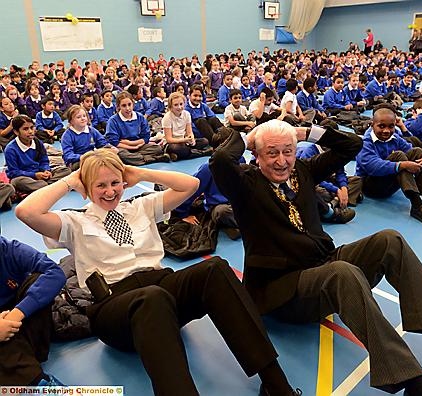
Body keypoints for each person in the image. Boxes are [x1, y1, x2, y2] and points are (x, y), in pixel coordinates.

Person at [210, 118, 422, 396]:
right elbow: (221, 159)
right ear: (258, 156)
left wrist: (305, 132)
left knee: (390, 240)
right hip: (283, 291)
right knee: (342, 272)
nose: (281, 161)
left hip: (322, 264)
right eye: (272, 153)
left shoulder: (302, 171)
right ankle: (414, 383)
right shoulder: (245, 185)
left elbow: (352, 144)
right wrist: (251, 137)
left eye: (288, 151)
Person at [15, 148, 300, 396]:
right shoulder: (74, 222)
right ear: (86, 189)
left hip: (162, 290)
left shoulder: (140, 206)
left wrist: (140, 173)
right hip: (116, 307)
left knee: (215, 268)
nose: (111, 191)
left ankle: (276, 383)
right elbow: (26, 212)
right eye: (100, 185)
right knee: (151, 298)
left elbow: (190, 184)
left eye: (116, 182)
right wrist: (70, 181)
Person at [0, 236, 66, 386]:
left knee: (36, 280)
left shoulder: (10, 249)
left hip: (23, 326)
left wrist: (15, 315)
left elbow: (54, 272)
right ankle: (40, 383)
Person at [5, 115, 71, 195]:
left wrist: (46, 170)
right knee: (17, 182)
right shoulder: (10, 149)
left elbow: (44, 160)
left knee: (66, 170)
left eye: (32, 127)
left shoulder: (37, 142)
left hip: (40, 174)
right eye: (25, 129)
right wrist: (34, 175)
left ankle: (44, 186)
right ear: (16, 132)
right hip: (24, 177)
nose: (30, 131)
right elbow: (13, 172)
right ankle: (50, 186)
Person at [105, 91, 169, 165]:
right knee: (119, 154)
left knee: (157, 148)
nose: (128, 108)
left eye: (129, 104)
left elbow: (146, 137)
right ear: (118, 107)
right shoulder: (113, 121)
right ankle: (152, 159)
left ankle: (137, 159)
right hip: (123, 148)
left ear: (133, 104)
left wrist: (132, 143)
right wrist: (132, 147)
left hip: (139, 145)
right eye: (124, 106)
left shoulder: (140, 117)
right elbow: (114, 142)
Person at [163, 92, 211, 160]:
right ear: (171, 106)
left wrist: (191, 139)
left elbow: (189, 132)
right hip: (173, 143)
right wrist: (183, 140)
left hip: (185, 141)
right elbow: (169, 139)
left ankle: (180, 155)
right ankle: (202, 153)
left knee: (205, 141)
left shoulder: (187, 114)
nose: (179, 107)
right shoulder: (167, 117)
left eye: (181, 104)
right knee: (178, 148)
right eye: (176, 105)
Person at [61, 105, 111, 170]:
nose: (83, 118)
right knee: (89, 165)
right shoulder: (67, 135)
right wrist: (83, 157)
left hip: (92, 157)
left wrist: (109, 148)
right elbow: (68, 155)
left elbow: (102, 143)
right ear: (71, 121)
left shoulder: (91, 130)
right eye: (78, 117)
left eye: (84, 116)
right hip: (77, 161)